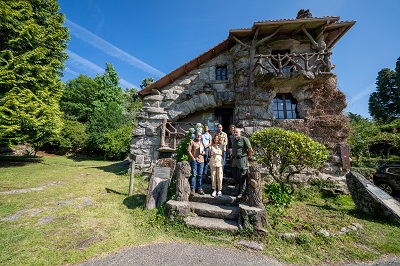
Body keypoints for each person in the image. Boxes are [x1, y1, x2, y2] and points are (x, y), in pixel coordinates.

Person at [231, 128, 253, 199]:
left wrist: (247, 157)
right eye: (234, 132)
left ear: (240, 132)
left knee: (242, 176)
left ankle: (242, 193)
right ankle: (236, 191)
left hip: (242, 159)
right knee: (235, 176)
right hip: (234, 160)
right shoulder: (233, 140)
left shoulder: (244, 139)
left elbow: (250, 149)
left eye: (237, 132)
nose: (235, 133)